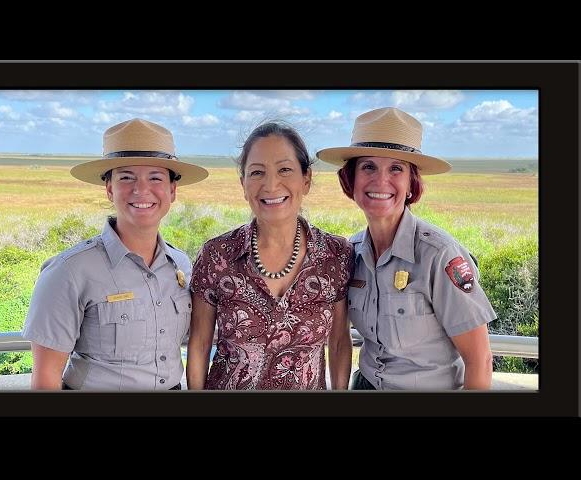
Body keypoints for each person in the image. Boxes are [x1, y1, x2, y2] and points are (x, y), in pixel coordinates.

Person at [317, 107, 496, 390]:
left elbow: (480, 361)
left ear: (411, 184)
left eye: (396, 168)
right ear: (351, 179)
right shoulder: (350, 253)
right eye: (368, 167)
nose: (380, 180)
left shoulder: (439, 255)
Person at [22, 118, 208, 390]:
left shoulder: (179, 265)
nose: (141, 189)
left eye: (155, 177)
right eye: (126, 177)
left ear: (172, 190)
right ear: (109, 188)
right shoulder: (69, 271)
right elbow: (45, 378)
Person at [186, 122, 353, 390]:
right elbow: (200, 344)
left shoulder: (336, 255)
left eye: (285, 169)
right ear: (243, 184)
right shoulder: (216, 256)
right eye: (257, 173)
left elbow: (340, 343)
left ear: (306, 179)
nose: (271, 184)